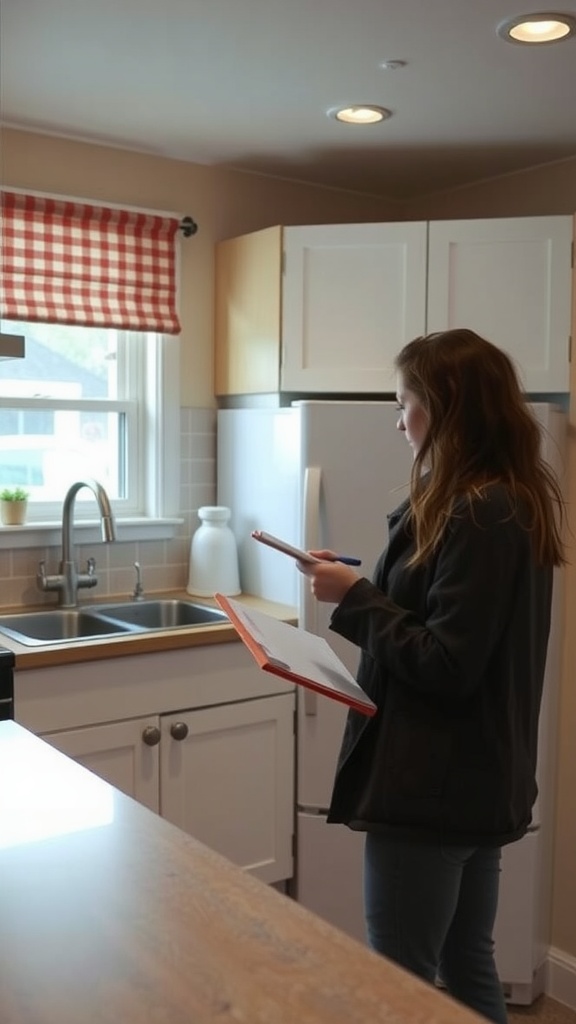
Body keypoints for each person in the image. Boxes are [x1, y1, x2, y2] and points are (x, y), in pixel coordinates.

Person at [299, 328, 565, 1024]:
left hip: (431, 787)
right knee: (466, 961)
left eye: (404, 405)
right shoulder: (508, 500)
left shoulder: (478, 511)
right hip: (477, 780)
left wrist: (353, 598)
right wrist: (359, 581)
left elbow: (446, 663)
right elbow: (445, 612)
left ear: (443, 408)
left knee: (401, 984)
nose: (397, 422)